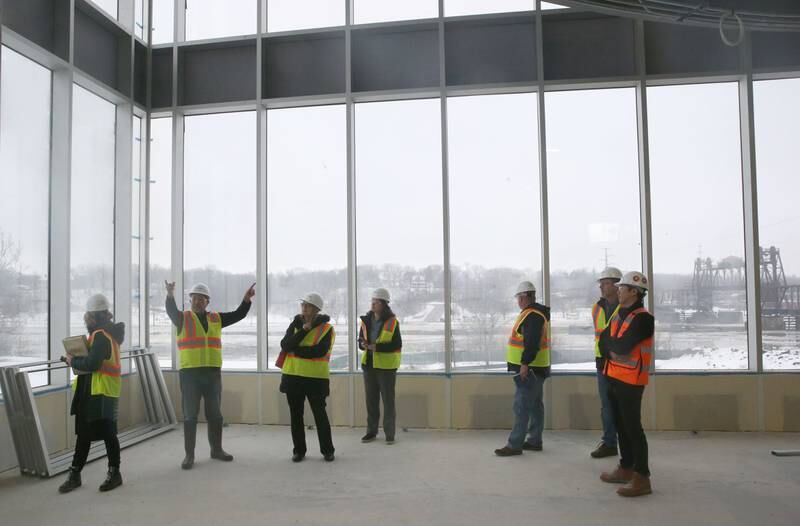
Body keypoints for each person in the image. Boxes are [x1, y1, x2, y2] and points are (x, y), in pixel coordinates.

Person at [165, 280, 255, 470]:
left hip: (212, 373)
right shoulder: (182, 318)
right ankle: (189, 455)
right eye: (194, 298)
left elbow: (238, 315)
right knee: (190, 416)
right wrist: (170, 295)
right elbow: (171, 311)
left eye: (202, 299)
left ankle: (217, 449)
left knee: (215, 414)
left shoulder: (216, 318)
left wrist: (246, 300)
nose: (197, 301)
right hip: (190, 374)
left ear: (207, 302)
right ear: (190, 300)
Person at [59, 294, 125, 493]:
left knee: (106, 434)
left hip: (99, 392)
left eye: (86, 315)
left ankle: (112, 474)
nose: (85, 319)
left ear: (93, 317)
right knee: (88, 434)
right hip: (98, 391)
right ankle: (78, 473)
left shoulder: (101, 337)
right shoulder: (106, 335)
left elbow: (92, 364)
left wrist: (72, 361)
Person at [598, 271, 655, 497]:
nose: (618, 290)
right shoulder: (619, 314)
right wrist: (613, 349)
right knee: (621, 426)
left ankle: (642, 477)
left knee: (633, 428)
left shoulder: (643, 318)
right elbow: (604, 341)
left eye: (622, 287)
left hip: (631, 381)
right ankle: (626, 467)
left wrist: (614, 348)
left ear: (634, 291)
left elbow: (623, 347)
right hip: (613, 376)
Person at [495, 281, 551, 456]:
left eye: (519, 298)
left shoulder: (532, 316)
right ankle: (534, 440)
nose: (518, 301)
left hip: (530, 369)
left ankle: (515, 444)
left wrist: (525, 364)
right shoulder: (535, 314)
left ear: (525, 297)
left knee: (521, 406)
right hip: (537, 367)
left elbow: (531, 342)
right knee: (535, 405)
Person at [279, 293, 336, 462]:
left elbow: (320, 351)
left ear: (317, 310)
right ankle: (299, 451)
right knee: (296, 416)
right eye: (303, 305)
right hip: (293, 376)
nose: (304, 308)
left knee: (320, 415)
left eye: (308, 305)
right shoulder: (295, 324)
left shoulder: (326, 328)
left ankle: (328, 450)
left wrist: (296, 351)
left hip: (315, 379)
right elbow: (285, 345)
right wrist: (303, 331)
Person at [358, 288, 402, 444]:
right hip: (369, 365)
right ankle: (371, 431)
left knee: (388, 401)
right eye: (372, 301)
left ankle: (390, 434)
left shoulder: (392, 322)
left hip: (386, 367)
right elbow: (360, 341)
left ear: (384, 304)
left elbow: (397, 344)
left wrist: (378, 348)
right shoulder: (366, 320)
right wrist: (363, 345)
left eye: (376, 302)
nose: (373, 304)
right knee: (371, 400)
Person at [590, 267, 623, 459]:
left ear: (617, 285)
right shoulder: (597, 308)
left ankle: (627, 443)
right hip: (602, 363)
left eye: (606, 283)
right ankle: (610, 443)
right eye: (601, 283)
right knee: (607, 406)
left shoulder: (628, 307)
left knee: (623, 406)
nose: (601, 286)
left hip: (622, 364)